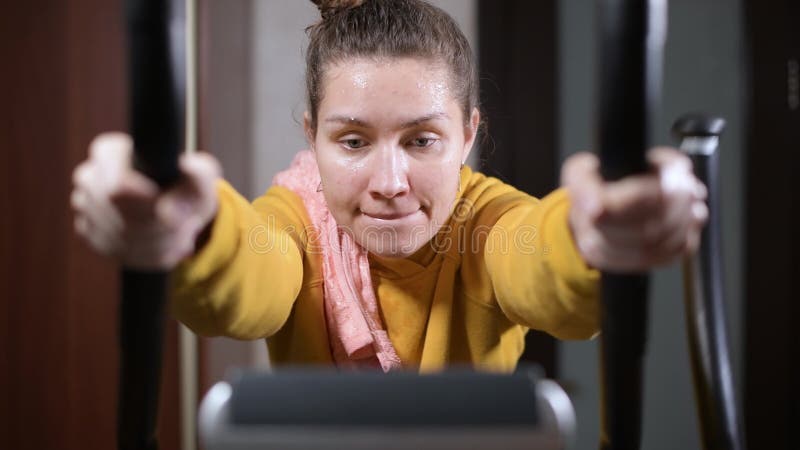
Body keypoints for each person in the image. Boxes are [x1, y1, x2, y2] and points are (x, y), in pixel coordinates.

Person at [71, 0, 707, 373]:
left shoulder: (484, 223)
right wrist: (193, 229)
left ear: (467, 136)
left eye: (421, 140)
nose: (389, 184)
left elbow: (541, 259)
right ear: (312, 134)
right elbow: (243, 279)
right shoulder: (294, 221)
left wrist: (592, 234)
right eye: (352, 141)